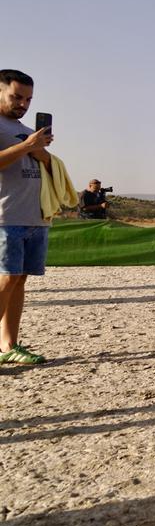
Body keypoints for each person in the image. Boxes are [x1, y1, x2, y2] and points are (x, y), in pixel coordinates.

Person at [0, 69, 54, 365]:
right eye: (17, 96)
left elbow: (41, 166)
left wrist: (42, 154)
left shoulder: (24, 128)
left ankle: (8, 345)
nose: (23, 104)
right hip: (5, 214)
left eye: (29, 99)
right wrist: (27, 146)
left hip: (33, 215)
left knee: (19, 279)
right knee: (7, 277)